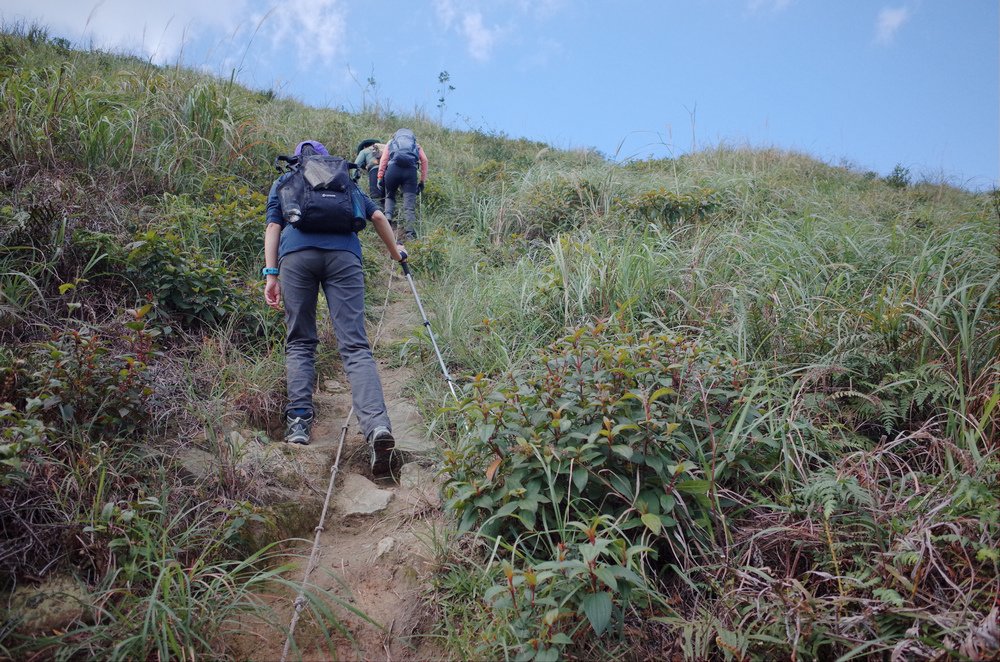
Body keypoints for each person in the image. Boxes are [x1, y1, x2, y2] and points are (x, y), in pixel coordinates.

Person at [263, 139, 408, 476]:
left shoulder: (285, 181)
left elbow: (273, 226)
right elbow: (376, 215)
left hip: (296, 258)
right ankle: (376, 428)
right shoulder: (344, 180)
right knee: (355, 346)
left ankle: (298, 424)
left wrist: (271, 274)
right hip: (344, 257)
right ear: (327, 159)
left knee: (300, 341)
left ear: (297, 159)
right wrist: (395, 253)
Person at [377, 128, 427, 242]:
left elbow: (384, 160)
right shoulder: (416, 145)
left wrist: (380, 176)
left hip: (393, 170)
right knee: (409, 205)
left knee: (390, 196)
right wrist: (422, 181)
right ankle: (410, 234)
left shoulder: (391, 143)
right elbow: (424, 160)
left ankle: (388, 220)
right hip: (410, 172)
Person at [354, 139, 386, 210]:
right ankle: (389, 217)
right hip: (389, 171)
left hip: (375, 171)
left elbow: (356, 165)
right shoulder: (384, 149)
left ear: (364, 146)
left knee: (376, 196)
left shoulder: (364, 151)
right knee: (388, 197)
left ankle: (380, 215)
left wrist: (354, 179)